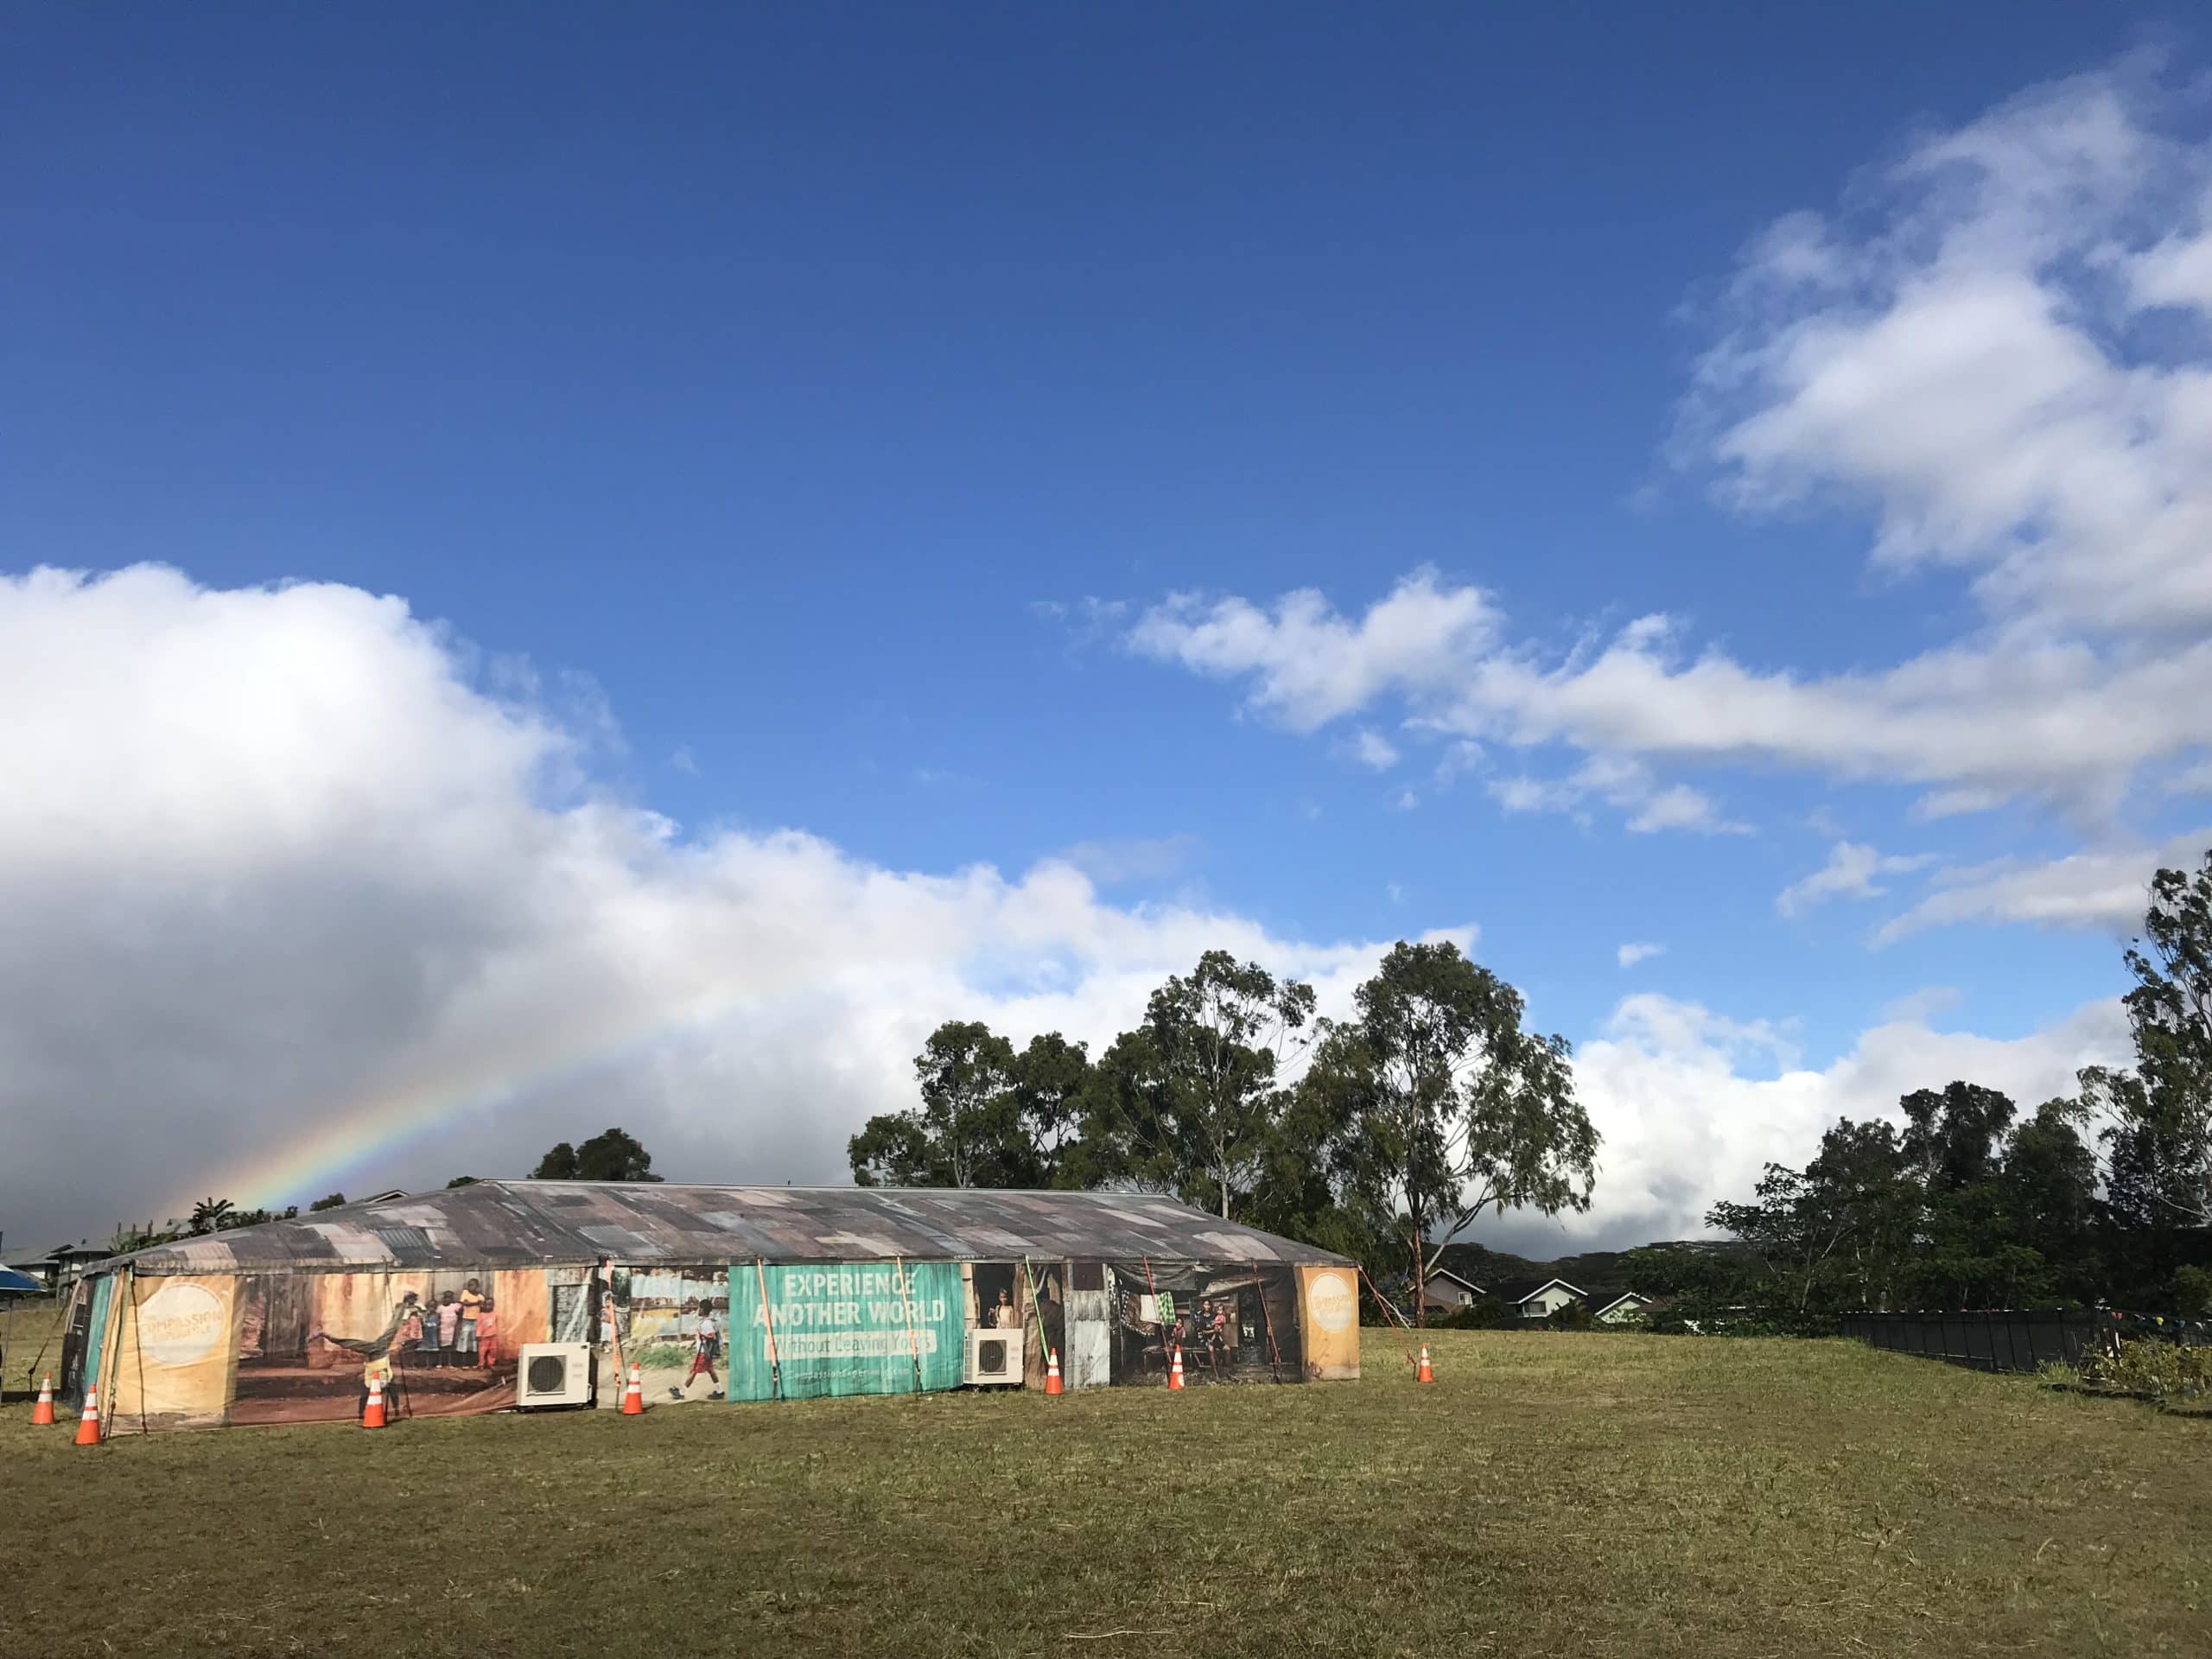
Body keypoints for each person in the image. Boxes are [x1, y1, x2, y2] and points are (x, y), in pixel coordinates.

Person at [456, 1278, 485, 1366]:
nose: (470, 1287)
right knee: (464, 1339)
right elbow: (465, 1303)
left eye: (472, 1285)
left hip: (476, 1320)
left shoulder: (480, 1296)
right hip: (466, 1319)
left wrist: (477, 1303)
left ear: (477, 1286)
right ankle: (463, 1362)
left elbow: (483, 1306)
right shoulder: (466, 1293)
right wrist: (476, 1303)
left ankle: (473, 1362)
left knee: (473, 1340)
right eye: (469, 1285)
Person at [435, 1290, 461, 1367]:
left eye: (449, 1298)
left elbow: (461, 1310)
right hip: (443, 1329)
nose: (447, 1299)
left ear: (452, 1299)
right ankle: (440, 1362)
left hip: (451, 1329)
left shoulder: (455, 1306)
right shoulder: (440, 1307)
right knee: (442, 1347)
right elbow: (437, 1316)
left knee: (450, 1348)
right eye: (446, 1297)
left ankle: (450, 1363)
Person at [474, 1298, 499, 1370]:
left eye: (490, 1305)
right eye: (486, 1305)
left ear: (493, 1305)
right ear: (483, 1305)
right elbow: (479, 1325)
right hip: (484, 1336)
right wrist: (478, 1335)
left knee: (493, 1350)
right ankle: (481, 1364)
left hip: (493, 1335)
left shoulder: (495, 1314)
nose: (488, 1306)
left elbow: (496, 1324)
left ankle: (491, 1363)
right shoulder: (481, 1315)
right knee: (482, 1350)